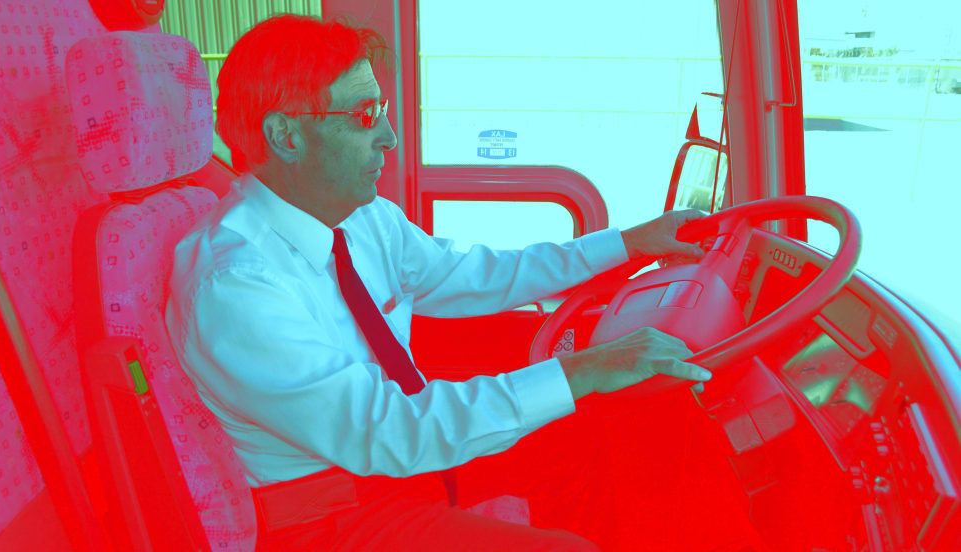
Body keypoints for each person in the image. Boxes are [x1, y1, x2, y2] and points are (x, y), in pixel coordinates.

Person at [166, 13, 713, 552]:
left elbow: (478, 273)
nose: (388, 136)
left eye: (381, 110)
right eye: (364, 115)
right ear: (286, 136)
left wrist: (627, 244)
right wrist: (582, 369)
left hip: (398, 460)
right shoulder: (233, 285)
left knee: (609, 433)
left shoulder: (362, 220)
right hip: (331, 512)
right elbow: (384, 430)